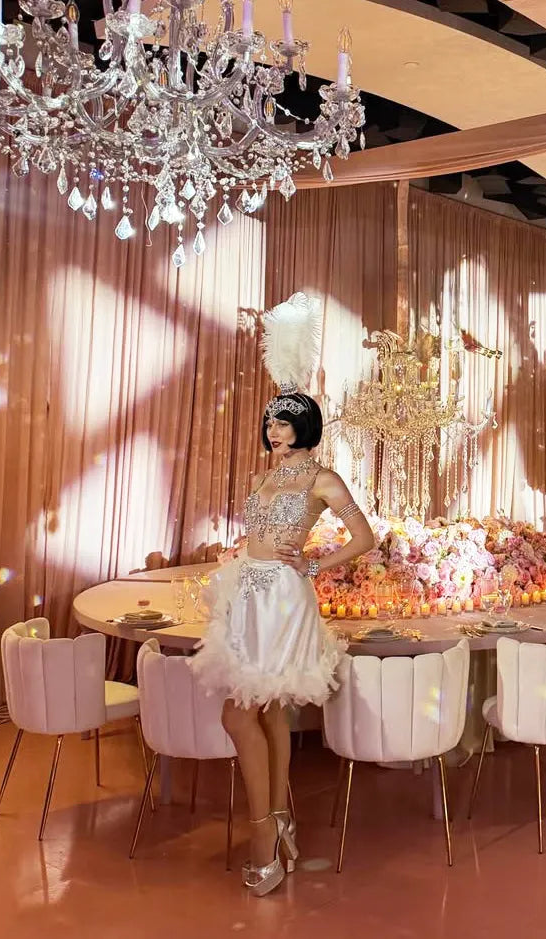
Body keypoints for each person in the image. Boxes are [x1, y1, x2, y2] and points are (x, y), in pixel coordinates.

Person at [191, 294, 375, 897]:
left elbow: (365, 538)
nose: (274, 431)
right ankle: (280, 819)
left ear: (305, 427)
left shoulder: (324, 479)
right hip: (247, 593)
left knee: (238, 712)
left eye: (284, 422)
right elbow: (258, 535)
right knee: (265, 712)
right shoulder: (263, 476)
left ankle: (263, 834)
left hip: (285, 600)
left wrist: (316, 563)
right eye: (270, 422)